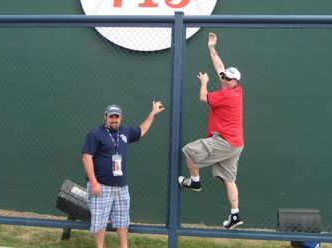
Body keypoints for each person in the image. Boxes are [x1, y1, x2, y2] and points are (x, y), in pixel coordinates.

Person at [178, 32, 245, 229]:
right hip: (235, 144)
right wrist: (211, 47)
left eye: (228, 78)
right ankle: (235, 215)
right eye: (225, 77)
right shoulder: (236, 90)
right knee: (228, 179)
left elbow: (203, 98)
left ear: (236, 82)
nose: (224, 78)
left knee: (189, 151)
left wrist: (204, 83)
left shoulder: (228, 95)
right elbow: (220, 68)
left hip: (224, 141)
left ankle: (195, 181)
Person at [82, 101, 165, 248]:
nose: (114, 120)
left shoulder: (125, 131)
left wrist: (152, 114)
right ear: (105, 117)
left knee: (122, 219)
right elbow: (87, 157)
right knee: (99, 220)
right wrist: (94, 182)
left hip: (121, 187)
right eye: (111, 117)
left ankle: (124, 246)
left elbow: (142, 130)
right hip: (101, 187)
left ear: (121, 118)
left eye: (117, 117)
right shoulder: (95, 134)